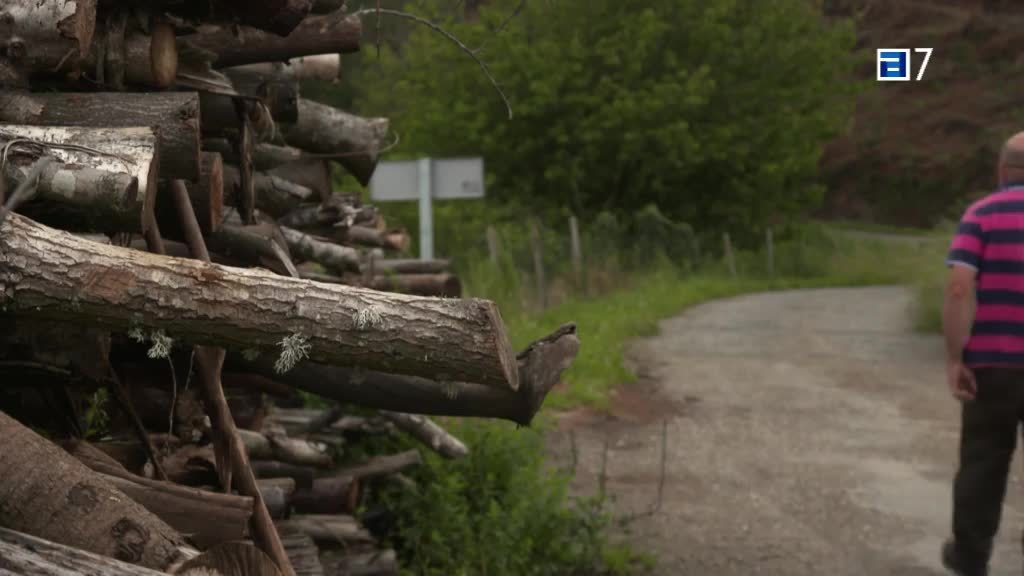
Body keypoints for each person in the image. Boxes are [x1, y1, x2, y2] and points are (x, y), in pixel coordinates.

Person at [942, 131, 1024, 576]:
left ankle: (971, 558)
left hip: (992, 365)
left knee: (982, 463)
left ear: (1002, 169)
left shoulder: (982, 213)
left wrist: (956, 358)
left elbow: (958, 288)